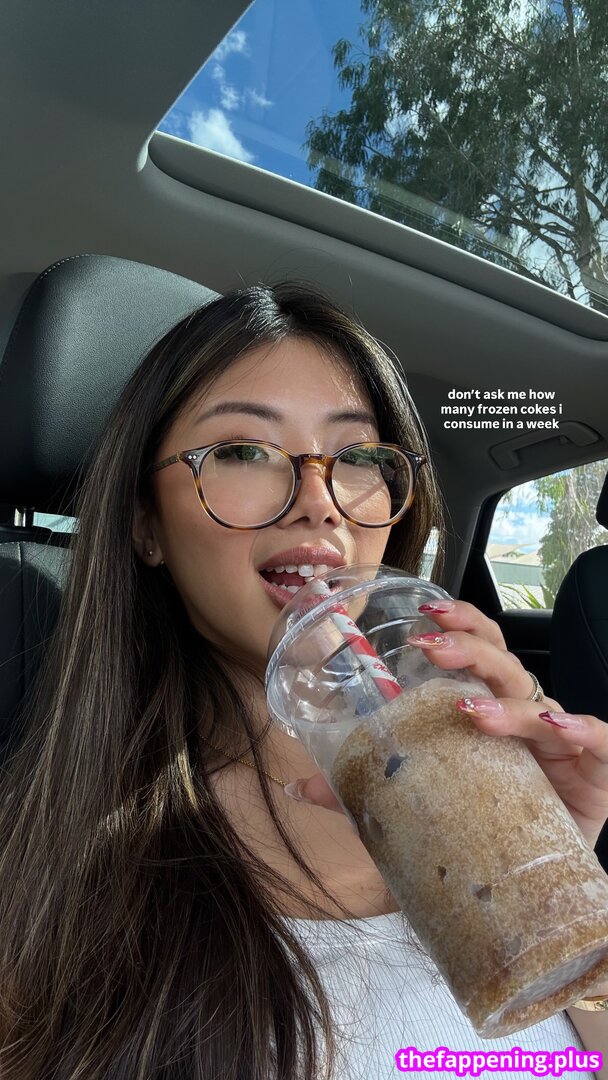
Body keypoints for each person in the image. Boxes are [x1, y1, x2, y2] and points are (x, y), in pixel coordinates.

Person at [0, 282, 606, 1079]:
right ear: (146, 524)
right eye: (243, 451)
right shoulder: (54, 867)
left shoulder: (483, 766)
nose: (321, 503)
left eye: (357, 458)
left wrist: (563, 876)